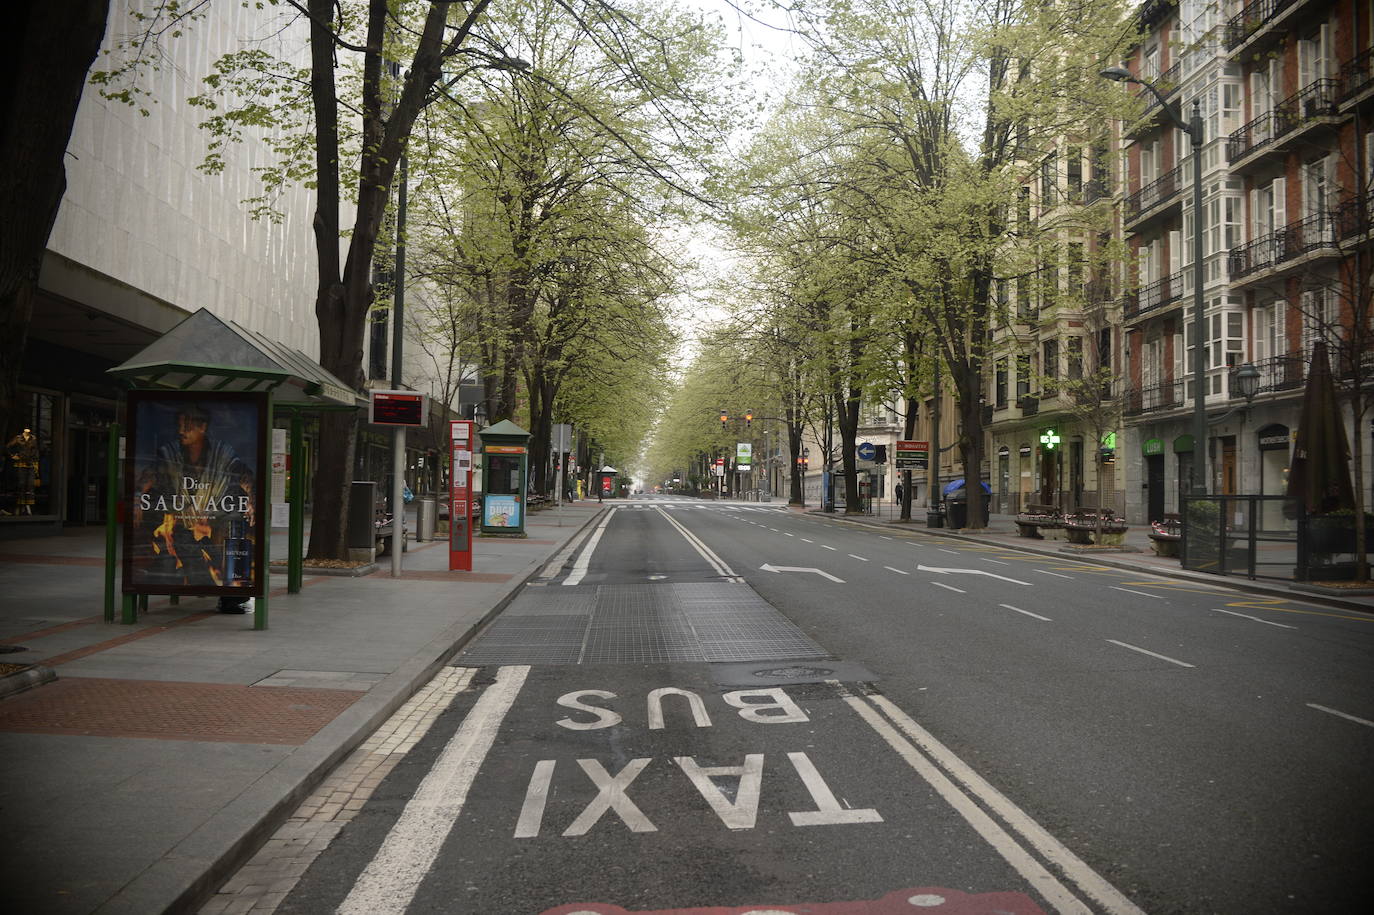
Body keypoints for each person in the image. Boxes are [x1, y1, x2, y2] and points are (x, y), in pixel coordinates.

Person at [134, 405, 256, 610]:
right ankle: (212, 589)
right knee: (183, 552)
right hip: (181, 524)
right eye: (180, 426)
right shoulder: (170, 453)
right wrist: (138, 496)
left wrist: (252, 498)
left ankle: (230, 595)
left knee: (221, 557)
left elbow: (243, 475)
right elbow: (151, 474)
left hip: (212, 522)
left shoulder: (222, 453)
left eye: (187, 426)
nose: (181, 431)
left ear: (203, 427)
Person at [6, 427, 39, 514]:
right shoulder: (18, 438)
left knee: (30, 486)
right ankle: (19, 507)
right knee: (21, 484)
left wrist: (36, 464)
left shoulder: (33, 439)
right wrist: (13, 456)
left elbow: (36, 451)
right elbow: (8, 447)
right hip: (21, 463)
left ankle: (28, 508)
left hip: (30, 464)